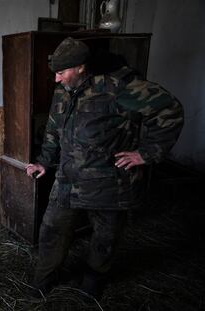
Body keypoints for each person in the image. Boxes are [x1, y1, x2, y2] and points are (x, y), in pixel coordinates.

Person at [25, 37, 184, 299]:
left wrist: (146, 153)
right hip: (68, 179)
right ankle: (43, 281)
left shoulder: (119, 87)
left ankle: (93, 282)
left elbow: (169, 110)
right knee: (52, 231)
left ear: (80, 67)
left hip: (110, 183)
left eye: (61, 73)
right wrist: (44, 160)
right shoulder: (65, 89)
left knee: (105, 237)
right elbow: (54, 128)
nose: (56, 79)